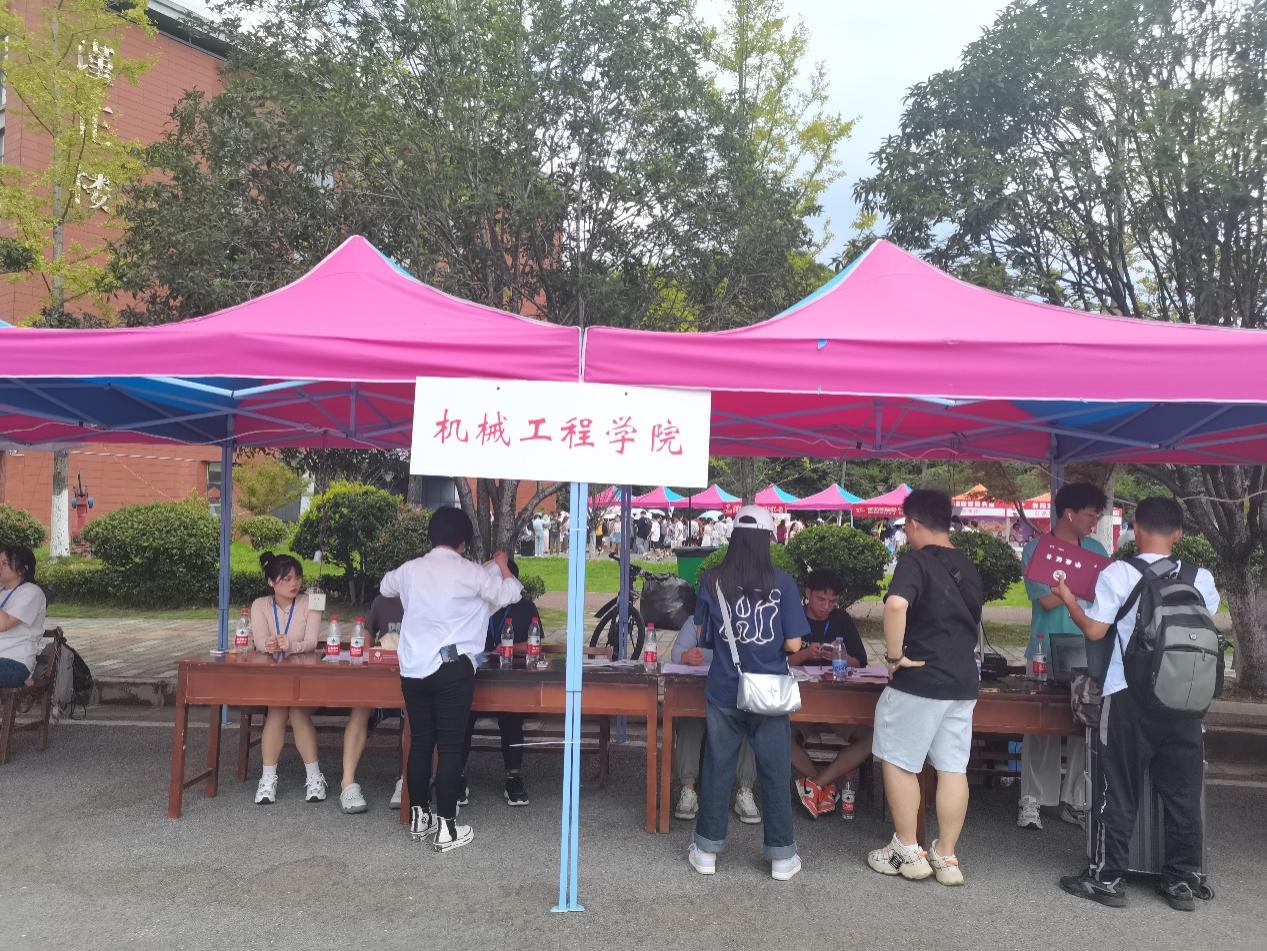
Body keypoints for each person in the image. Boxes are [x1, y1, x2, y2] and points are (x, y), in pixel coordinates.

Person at [1055, 497, 1219, 912]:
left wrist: (1069, 598)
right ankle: (1182, 880)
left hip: (1129, 695)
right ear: (1178, 533)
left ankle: (1108, 878)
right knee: (1184, 793)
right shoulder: (1201, 578)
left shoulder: (1120, 573)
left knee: (1118, 787)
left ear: (1136, 529)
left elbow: (1095, 631)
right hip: (1186, 699)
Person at [381, 507, 521, 853]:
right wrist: (502, 564)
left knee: (420, 742)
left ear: (431, 536)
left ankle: (419, 817)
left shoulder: (411, 569)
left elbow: (385, 586)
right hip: (452, 666)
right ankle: (447, 828)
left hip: (413, 669)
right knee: (450, 746)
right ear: (463, 542)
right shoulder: (471, 572)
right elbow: (511, 593)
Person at [868, 489, 983, 887]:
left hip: (919, 679)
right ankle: (946, 857)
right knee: (953, 767)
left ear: (914, 523)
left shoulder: (914, 561)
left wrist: (894, 655)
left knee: (899, 760)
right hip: (962, 681)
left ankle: (908, 848)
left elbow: (896, 604)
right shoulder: (967, 565)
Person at [688, 505, 808, 882]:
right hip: (770, 692)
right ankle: (781, 857)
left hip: (725, 688)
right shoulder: (783, 583)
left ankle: (706, 851)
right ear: (768, 539)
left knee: (718, 766)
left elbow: (702, 636)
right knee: (774, 771)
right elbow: (794, 643)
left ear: (734, 538)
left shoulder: (712, 581)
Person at [1016, 482, 1108, 831]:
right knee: (1040, 726)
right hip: (1045, 648)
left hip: (1088, 648)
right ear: (1069, 514)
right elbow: (1046, 600)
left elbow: (1105, 595)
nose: (1094, 522)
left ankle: (1077, 800)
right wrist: (1080, 586)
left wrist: (1068, 588)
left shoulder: (1097, 548)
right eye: (1090, 515)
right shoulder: (1036, 548)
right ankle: (1032, 799)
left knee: (1086, 726)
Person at [788, 569, 873, 819]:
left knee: (873, 738)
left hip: (838, 704)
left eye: (832, 601)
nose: (826, 607)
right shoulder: (792, 619)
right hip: (799, 703)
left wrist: (839, 656)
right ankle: (824, 784)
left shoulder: (841, 620)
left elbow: (861, 662)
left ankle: (817, 784)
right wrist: (805, 654)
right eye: (821, 600)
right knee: (775, 733)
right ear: (808, 593)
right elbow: (779, 662)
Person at [671, 615, 761, 825]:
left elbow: (754, 654)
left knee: (749, 719)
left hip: (734, 696)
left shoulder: (745, 618)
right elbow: (676, 653)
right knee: (688, 722)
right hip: (702, 695)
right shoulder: (696, 621)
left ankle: (745, 789)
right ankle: (688, 789)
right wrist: (686, 656)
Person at [250, 552, 325, 805]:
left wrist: (291, 645)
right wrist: (268, 644)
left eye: (298, 578)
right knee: (277, 709)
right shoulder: (260, 605)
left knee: (297, 710)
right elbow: (259, 640)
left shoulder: (311, 602)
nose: (295, 583)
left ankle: (314, 777)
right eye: (287, 579)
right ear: (271, 582)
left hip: (306, 675)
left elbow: (311, 642)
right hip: (276, 678)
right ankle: (267, 779)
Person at [462, 559, 535, 807]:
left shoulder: (525, 606)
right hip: (475, 676)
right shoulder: (476, 604)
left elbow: (534, 644)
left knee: (512, 716)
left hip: (511, 679)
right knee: (462, 716)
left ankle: (514, 777)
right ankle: (457, 776)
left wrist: (505, 647)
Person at [338, 591, 408, 814]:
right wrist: (371, 655)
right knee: (360, 707)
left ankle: (407, 781)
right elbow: (366, 636)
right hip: (380, 675)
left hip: (413, 677)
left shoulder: (428, 597)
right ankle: (347, 783)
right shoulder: (383, 601)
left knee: (418, 713)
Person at [0, 546, 47, 689]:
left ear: (22, 569)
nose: (0, 567)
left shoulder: (31, 592)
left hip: (14, 661)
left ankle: (25, 678)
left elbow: (3, 624)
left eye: (4, 563)